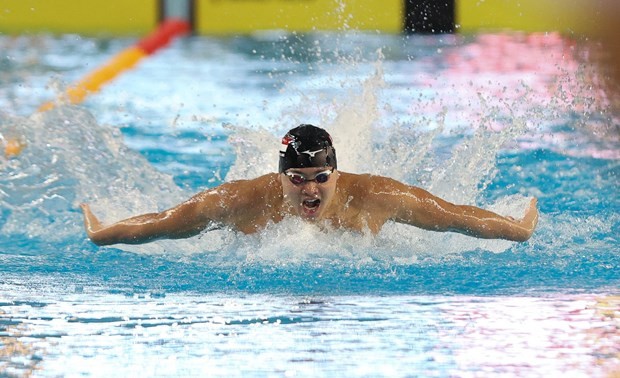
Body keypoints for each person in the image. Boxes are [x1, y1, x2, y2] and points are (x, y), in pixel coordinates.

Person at [81, 124, 539, 246]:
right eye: (296, 180)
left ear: (337, 175)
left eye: (321, 178)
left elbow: (455, 216)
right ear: (280, 178)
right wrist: (106, 232)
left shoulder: (378, 197)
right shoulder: (240, 201)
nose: (310, 190)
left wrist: (515, 228)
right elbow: (166, 223)